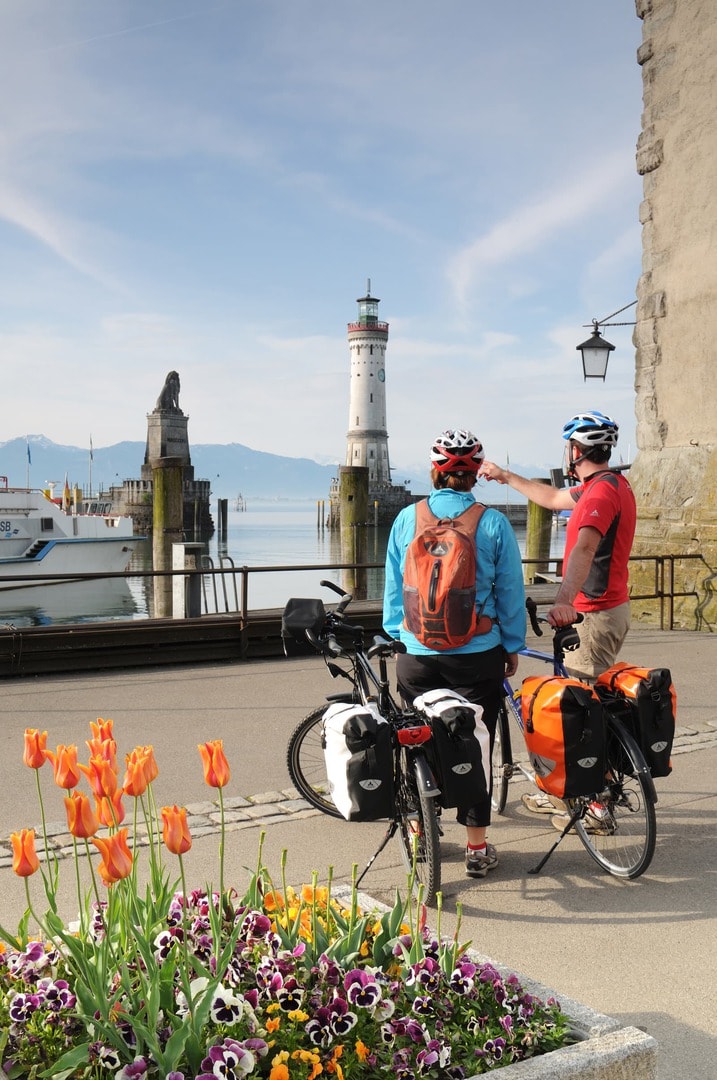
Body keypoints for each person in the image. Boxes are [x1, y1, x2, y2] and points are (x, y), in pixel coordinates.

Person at [480, 411, 637, 821]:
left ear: (575, 450)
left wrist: (563, 600)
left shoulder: (599, 495)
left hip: (591, 614)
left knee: (578, 714)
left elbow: (585, 549)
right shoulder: (608, 484)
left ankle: (594, 805)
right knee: (589, 701)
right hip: (610, 608)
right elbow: (550, 498)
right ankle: (587, 787)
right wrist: (504, 476)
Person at [383, 429, 526, 879]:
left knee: (417, 740)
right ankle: (477, 848)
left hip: (416, 656)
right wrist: (511, 645)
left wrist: (401, 636)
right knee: (474, 742)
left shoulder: (407, 519)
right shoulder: (494, 523)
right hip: (477, 654)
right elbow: (510, 592)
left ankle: (421, 833)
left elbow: (393, 592)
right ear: (474, 476)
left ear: (434, 472)